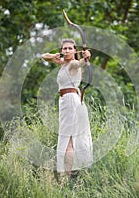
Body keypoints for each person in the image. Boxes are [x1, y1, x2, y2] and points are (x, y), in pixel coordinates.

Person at [41, 38, 93, 179]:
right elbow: (43, 56)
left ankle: (71, 175)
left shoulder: (73, 65)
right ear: (62, 50)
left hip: (71, 101)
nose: (67, 51)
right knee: (69, 137)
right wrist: (53, 56)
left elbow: (79, 63)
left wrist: (85, 58)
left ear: (75, 50)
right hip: (66, 101)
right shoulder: (63, 63)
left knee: (68, 138)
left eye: (70, 48)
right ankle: (72, 173)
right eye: (65, 48)